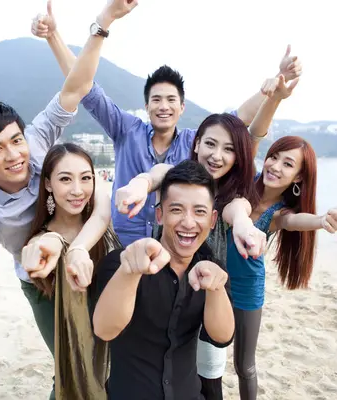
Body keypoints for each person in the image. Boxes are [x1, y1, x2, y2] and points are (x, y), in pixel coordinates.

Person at [0, 1, 137, 398]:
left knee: (109, 355)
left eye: (15, 141)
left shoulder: (35, 144)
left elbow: (77, 87)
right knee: (69, 362)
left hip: (89, 258)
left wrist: (102, 22)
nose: (15, 155)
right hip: (41, 282)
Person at [31, 4, 303, 247]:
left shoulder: (195, 142)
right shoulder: (126, 130)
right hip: (123, 243)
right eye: (156, 100)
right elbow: (84, 88)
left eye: (171, 100)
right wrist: (54, 37)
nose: (164, 106)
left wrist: (277, 82)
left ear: (182, 108)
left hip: (171, 247)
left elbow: (237, 118)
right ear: (146, 106)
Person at [113, 75, 300, 398]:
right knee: (161, 365)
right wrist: (139, 185)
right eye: (210, 144)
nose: (217, 155)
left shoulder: (233, 194)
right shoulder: (179, 174)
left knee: (210, 376)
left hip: (209, 291)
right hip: (166, 287)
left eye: (228, 149)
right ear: (195, 143)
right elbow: (157, 174)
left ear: (238, 157)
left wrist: (244, 227)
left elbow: (238, 211)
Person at [226, 134, 337, 400]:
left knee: (244, 365)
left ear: (299, 177)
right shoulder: (242, 184)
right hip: (214, 280)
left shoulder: (280, 213)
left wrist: (323, 220)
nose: (275, 166)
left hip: (246, 289)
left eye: (288, 164)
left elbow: (295, 222)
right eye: (274, 157)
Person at [93, 160, 235, 400]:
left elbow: (222, 337)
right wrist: (129, 272)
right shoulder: (123, 262)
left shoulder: (212, 271)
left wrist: (217, 289)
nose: (188, 223)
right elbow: (105, 330)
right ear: (159, 214)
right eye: (176, 209)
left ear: (212, 220)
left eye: (199, 211)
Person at [21, 143, 122, 400]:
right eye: (65, 179)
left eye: (85, 178)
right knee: (72, 372)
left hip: (113, 345)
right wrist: (42, 247)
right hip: (73, 350)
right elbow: (40, 247)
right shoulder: (44, 241)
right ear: (47, 184)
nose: (77, 190)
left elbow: (101, 210)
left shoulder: (102, 225)